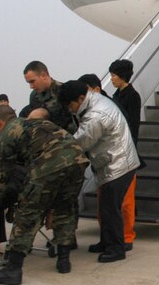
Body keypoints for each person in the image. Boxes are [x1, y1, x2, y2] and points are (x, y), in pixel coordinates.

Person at [0, 105, 89, 285]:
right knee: (65, 208)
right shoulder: (34, 123)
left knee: (27, 213)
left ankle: (13, 270)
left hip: (50, 165)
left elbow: (2, 175)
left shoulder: (8, 133)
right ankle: (63, 260)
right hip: (77, 160)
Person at [58, 80, 140, 263]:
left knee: (111, 209)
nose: (69, 110)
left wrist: (56, 148)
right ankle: (106, 242)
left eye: (70, 105)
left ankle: (117, 248)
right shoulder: (92, 100)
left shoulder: (95, 115)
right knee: (105, 208)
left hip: (118, 164)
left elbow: (80, 142)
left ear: (80, 98)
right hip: (111, 161)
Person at [108, 59, 141, 251]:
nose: (111, 78)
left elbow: (134, 126)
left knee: (127, 199)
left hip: (126, 153)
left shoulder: (132, 96)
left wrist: (130, 150)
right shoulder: (116, 95)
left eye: (113, 75)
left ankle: (128, 236)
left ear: (123, 76)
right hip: (115, 151)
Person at [24, 60, 76, 132]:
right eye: (29, 83)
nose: (31, 86)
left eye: (33, 81)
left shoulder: (64, 91)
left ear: (44, 75)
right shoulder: (34, 96)